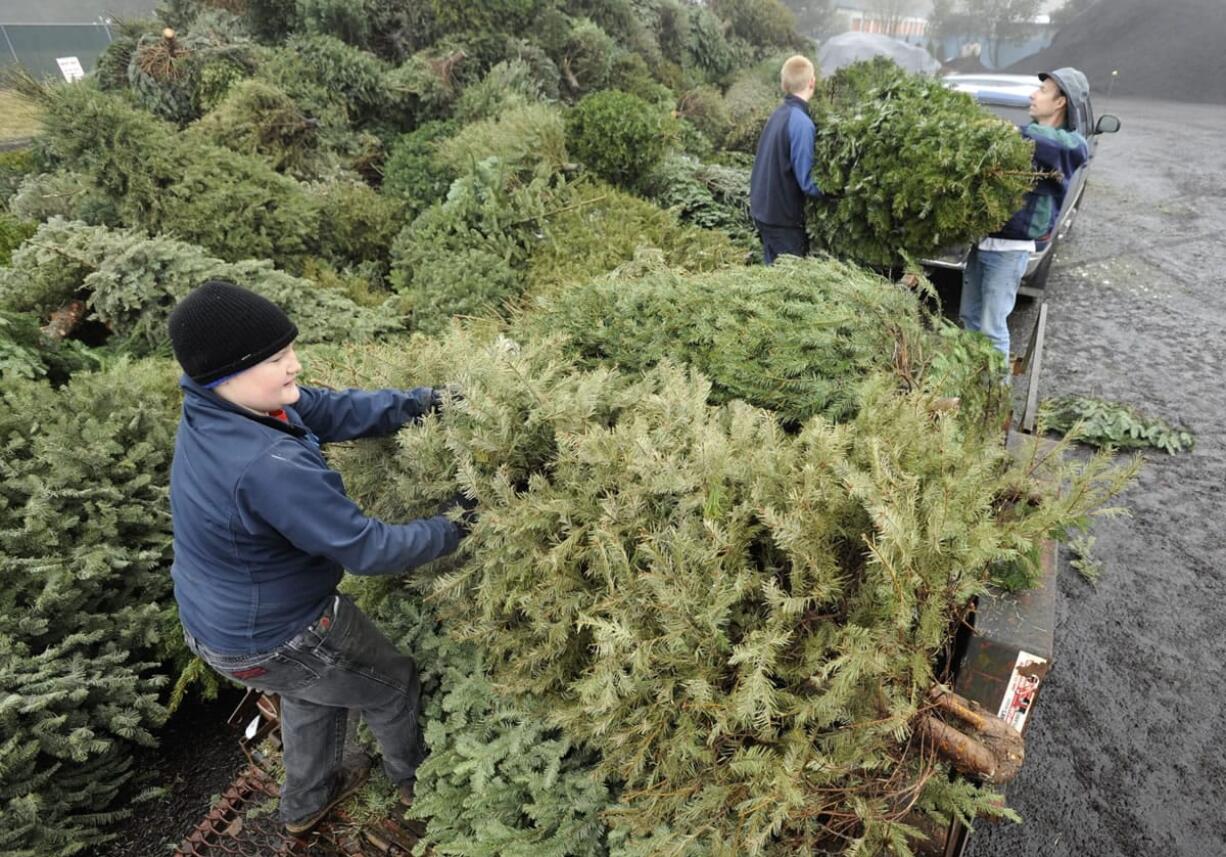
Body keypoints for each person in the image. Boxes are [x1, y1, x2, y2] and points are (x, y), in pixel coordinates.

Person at [166, 280, 472, 835]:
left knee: (313, 687)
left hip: (225, 626)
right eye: (279, 358)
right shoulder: (264, 464)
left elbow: (330, 409)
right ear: (230, 372)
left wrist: (425, 403)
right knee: (389, 683)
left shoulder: (222, 409)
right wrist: (458, 524)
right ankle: (419, 790)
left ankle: (306, 805)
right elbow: (369, 548)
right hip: (280, 632)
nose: (295, 366)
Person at [960, 68, 1090, 361]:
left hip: (1009, 250)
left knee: (992, 331)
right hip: (983, 242)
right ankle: (969, 389)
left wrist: (1008, 132)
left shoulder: (1069, 144)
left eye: (1043, 91)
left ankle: (996, 402)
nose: (1033, 95)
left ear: (1060, 102)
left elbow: (1051, 144)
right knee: (970, 318)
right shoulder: (1024, 136)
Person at [749, 54, 824, 265]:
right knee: (789, 285)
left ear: (784, 84)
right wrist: (839, 192)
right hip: (782, 219)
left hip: (764, 211)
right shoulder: (801, 123)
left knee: (773, 280)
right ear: (812, 82)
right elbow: (808, 183)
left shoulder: (779, 114)